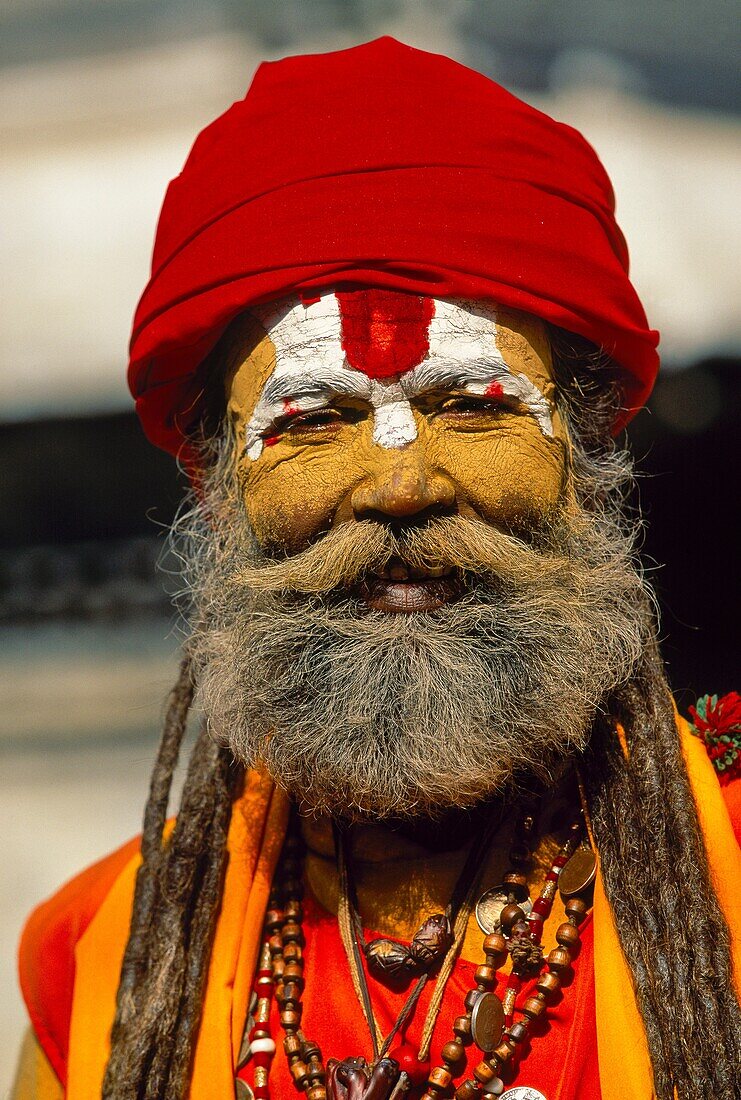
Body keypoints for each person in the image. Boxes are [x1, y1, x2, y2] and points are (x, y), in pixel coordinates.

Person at [13, 37, 741, 1100]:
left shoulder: (724, 876)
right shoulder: (103, 962)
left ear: (584, 458)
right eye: (313, 418)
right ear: (219, 494)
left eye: (474, 405)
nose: (400, 488)